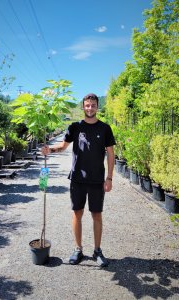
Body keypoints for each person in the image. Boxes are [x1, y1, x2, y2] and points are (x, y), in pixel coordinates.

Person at [41, 93, 116, 267]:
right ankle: (78, 249)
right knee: (77, 213)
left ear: (98, 107)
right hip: (77, 179)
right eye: (87, 105)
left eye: (93, 105)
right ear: (83, 107)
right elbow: (62, 147)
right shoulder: (75, 127)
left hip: (97, 180)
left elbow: (111, 154)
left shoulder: (105, 128)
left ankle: (97, 250)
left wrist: (109, 178)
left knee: (97, 214)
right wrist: (49, 150)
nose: (90, 108)